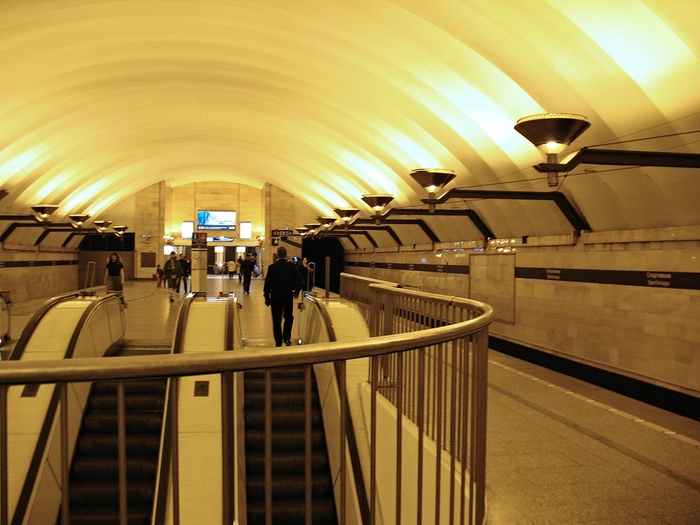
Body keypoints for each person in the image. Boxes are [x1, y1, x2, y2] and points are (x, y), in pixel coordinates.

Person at [264, 246, 303, 347]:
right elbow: (300, 280)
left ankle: (278, 341)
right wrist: (296, 291)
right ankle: (287, 338)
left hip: (275, 295)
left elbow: (267, 284)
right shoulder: (292, 266)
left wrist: (267, 297)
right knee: (288, 317)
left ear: (277, 255)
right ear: (286, 255)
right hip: (287, 294)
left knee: (276, 320)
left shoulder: (272, 267)